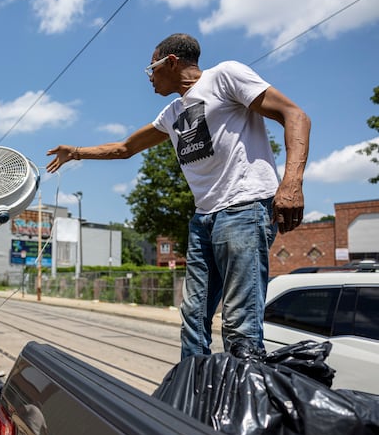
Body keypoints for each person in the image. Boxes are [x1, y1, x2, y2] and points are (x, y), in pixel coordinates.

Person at [47, 33, 310, 359]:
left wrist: (291, 183)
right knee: (193, 315)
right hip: (204, 220)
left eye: (151, 69)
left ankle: (245, 399)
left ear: (170, 62)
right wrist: (76, 152)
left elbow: (295, 115)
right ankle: (192, 394)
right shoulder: (172, 113)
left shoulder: (225, 76)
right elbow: (124, 148)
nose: (150, 78)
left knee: (239, 322)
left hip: (244, 207)